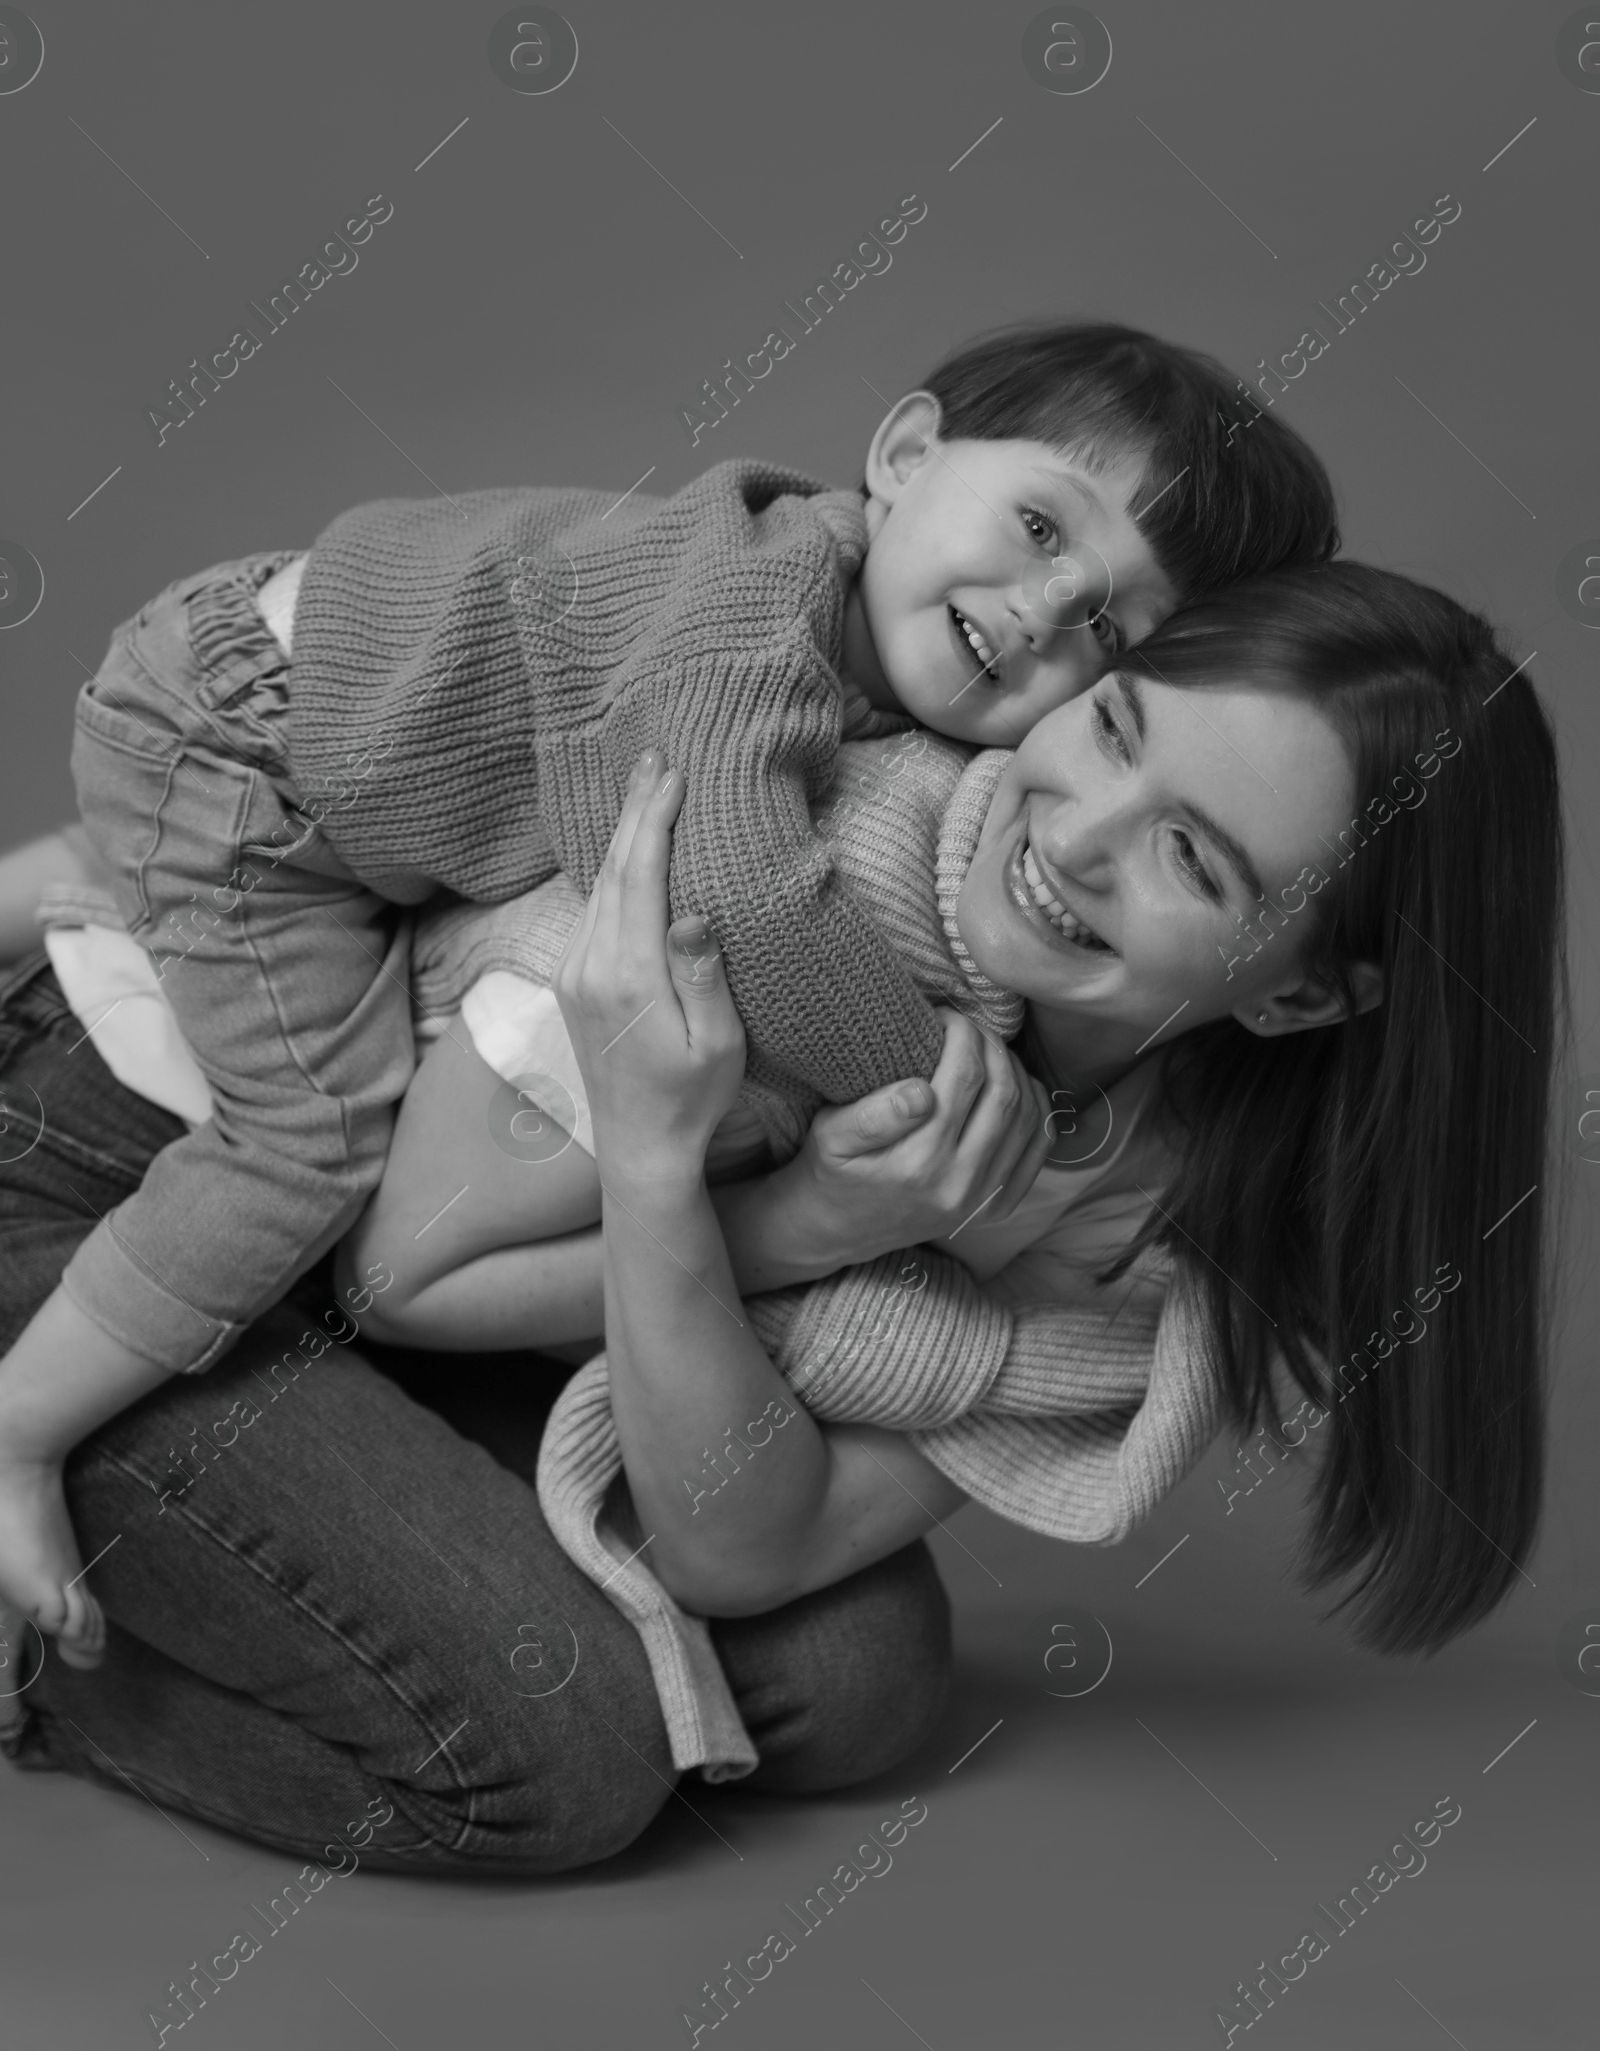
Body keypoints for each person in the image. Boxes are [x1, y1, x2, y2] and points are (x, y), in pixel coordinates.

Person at [0, 562, 1562, 1850]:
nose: (1072, 838)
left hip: (379, 1275)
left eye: (1191, 861)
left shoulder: (1153, 1218)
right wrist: (784, 1213)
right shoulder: (804, 872)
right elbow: (394, 1272)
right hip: (128, 1169)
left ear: (1302, 999)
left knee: (857, 1679)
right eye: (1114, 725)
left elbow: (747, 1549)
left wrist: (719, 1212)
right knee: (563, 1763)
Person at [0, 324, 1338, 1659]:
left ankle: (81, 881)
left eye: (1106, 622)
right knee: (305, 1140)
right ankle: (18, 1433)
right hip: (252, 749)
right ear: (905, 456)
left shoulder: (874, 680)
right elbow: (745, 894)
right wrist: (923, 1080)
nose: (1047, 610)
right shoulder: (750, 617)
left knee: (855, 1671)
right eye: (1043, 528)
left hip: (321, 754)